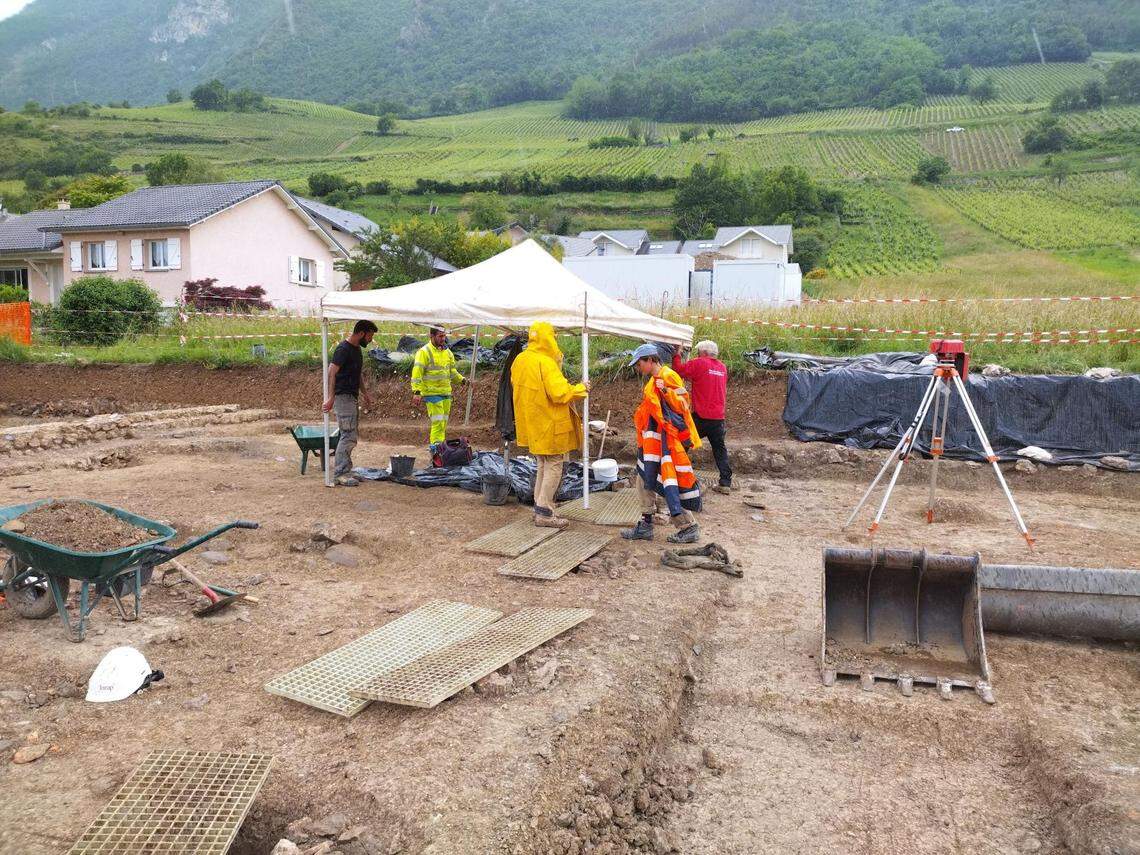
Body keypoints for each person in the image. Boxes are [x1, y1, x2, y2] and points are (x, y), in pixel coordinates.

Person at [511, 322, 589, 528]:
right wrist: (581, 388)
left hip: (532, 423)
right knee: (554, 464)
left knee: (542, 463)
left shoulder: (520, 360)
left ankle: (539, 507)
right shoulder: (545, 362)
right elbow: (559, 392)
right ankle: (545, 512)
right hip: (550, 423)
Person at [621, 343, 702, 543]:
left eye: (639, 364)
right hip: (653, 442)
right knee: (645, 479)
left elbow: (683, 405)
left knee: (668, 482)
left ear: (650, 360)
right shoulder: (653, 380)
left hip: (668, 442)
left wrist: (665, 390)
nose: (637, 369)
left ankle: (688, 526)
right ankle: (646, 523)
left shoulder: (668, 376)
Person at [321, 320, 378, 486]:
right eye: (369, 336)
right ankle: (340, 473)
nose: (370, 340)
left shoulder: (356, 350)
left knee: (350, 434)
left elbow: (357, 373)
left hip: (351, 397)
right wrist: (331, 397)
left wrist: (365, 393)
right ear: (361, 333)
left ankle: (346, 469)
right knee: (348, 435)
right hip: (342, 397)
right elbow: (331, 372)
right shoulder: (343, 349)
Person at [673, 339, 732, 492]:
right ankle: (725, 483)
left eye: (698, 352)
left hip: (700, 416)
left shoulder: (700, 363)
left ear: (704, 353)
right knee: (720, 450)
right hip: (718, 418)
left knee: (682, 443)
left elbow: (679, 370)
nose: (697, 355)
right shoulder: (722, 368)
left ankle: (676, 476)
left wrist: (677, 353)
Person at [411, 326, 466, 451]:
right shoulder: (424, 352)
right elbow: (417, 372)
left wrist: (463, 381)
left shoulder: (448, 353)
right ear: (432, 336)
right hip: (431, 393)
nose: (443, 338)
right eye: (440, 336)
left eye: (444, 336)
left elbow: (452, 372)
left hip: (446, 393)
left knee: (443, 424)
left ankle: (440, 450)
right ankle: (436, 452)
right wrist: (417, 391)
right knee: (438, 423)